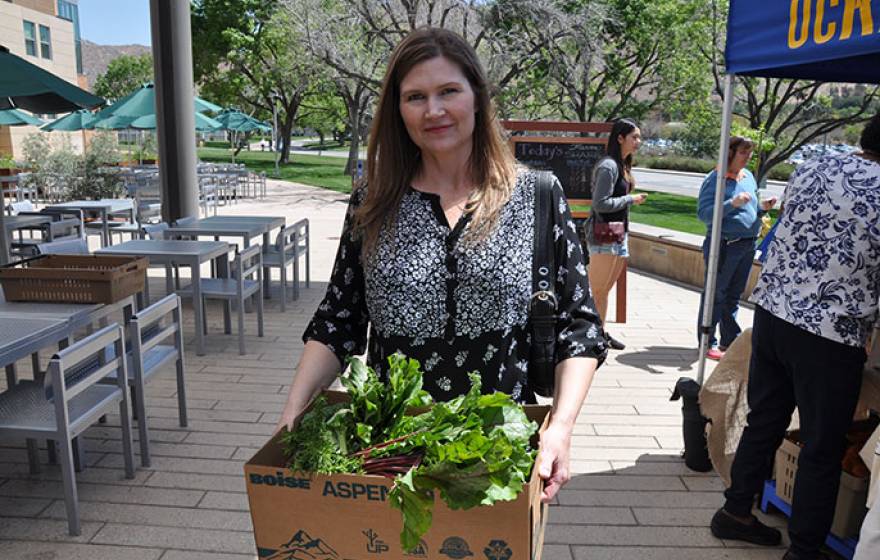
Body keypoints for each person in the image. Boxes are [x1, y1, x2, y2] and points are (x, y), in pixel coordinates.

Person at [275, 27, 607, 502]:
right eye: (415, 97)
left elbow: (580, 326)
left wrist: (562, 428)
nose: (433, 110)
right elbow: (339, 320)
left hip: (499, 456)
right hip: (390, 453)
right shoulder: (373, 203)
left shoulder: (536, 196)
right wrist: (295, 409)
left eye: (448, 91)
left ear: (477, 96)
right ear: (398, 111)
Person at [710, 113, 880, 560]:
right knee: (822, 446)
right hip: (830, 333)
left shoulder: (815, 166)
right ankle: (805, 550)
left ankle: (735, 510)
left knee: (765, 419)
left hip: (774, 313)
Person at [696, 136, 776, 361]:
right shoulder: (715, 179)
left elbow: (749, 209)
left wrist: (761, 208)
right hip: (724, 245)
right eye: (743, 152)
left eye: (750, 153)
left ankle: (729, 340)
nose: (748, 157)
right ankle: (707, 341)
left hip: (747, 244)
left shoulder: (748, 176)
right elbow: (704, 214)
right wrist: (731, 203)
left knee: (733, 295)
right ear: (729, 153)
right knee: (715, 294)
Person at [587, 118, 648, 333]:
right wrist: (631, 199)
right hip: (605, 234)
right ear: (620, 138)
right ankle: (592, 337)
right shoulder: (608, 166)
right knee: (597, 291)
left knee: (604, 290)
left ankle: (600, 334)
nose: (638, 141)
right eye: (634, 137)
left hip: (618, 234)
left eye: (639, 137)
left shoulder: (621, 165)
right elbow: (600, 203)